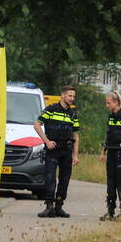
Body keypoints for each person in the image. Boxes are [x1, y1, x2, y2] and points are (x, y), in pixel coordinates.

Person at [33, 85, 80, 218]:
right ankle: (49, 207)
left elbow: (76, 135)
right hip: (53, 150)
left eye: (73, 96)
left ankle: (59, 207)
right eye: (70, 96)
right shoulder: (51, 109)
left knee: (65, 180)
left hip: (67, 151)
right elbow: (37, 125)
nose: (72, 98)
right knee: (50, 178)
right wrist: (47, 141)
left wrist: (75, 155)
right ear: (63, 95)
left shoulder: (73, 114)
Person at [99, 90, 121, 220]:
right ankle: (110, 211)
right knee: (110, 182)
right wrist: (103, 151)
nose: (106, 105)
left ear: (116, 102)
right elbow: (108, 135)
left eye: (108, 103)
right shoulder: (111, 117)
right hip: (111, 152)